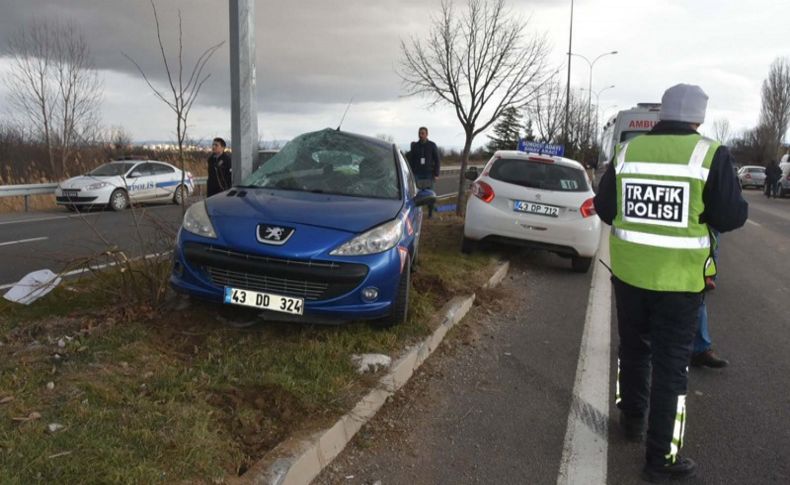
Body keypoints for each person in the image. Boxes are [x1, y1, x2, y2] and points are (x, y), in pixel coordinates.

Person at [594, 84, 748, 482]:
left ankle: (631, 417)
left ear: (663, 114)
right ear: (698, 118)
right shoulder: (710, 154)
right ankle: (661, 458)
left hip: (629, 276)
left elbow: (606, 209)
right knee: (671, 369)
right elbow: (730, 217)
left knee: (633, 350)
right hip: (679, 284)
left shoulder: (628, 151)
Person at [408, 126, 441, 217]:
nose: (421, 135)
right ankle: (416, 215)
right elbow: (411, 160)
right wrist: (411, 173)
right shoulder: (415, 146)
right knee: (416, 195)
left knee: (430, 196)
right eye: (419, 133)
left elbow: (437, 160)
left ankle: (430, 214)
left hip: (429, 174)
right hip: (417, 174)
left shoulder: (432, 145)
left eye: (423, 133)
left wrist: (436, 173)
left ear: (427, 134)